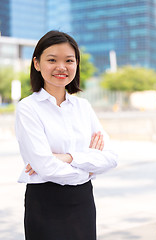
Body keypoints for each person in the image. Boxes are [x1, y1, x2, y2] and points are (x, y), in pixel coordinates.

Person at [15, 30, 118, 240]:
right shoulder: (28, 108)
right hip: (45, 203)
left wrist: (67, 157)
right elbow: (45, 167)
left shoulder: (83, 107)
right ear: (36, 63)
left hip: (83, 203)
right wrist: (88, 170)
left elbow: (111, 157)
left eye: (69, 60)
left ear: (76, 64)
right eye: (52, 60)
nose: (61, 67)